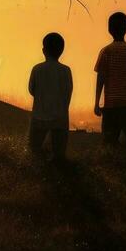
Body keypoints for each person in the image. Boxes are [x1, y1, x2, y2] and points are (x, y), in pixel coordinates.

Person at [92, 11, 126, 149]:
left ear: (109, 29)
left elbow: (101, 79)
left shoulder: (106, 51)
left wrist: (97, 103)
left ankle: (112, 169)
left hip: (111, 106)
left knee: (109, 145)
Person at [28, 32, 73, 162]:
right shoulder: (66, 70)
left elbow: (32, 90)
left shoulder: (37, 69)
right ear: (61, 50)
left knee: (34, 151)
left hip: (39, 116)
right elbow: (68, 91)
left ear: (44, 50)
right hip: (60, 117)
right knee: (59, 155)